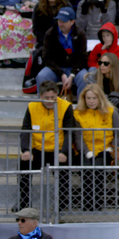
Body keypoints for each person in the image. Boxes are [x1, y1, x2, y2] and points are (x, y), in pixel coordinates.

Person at [17, 83, 79, 212]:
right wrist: (26, 150)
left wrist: (64, 152)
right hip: (38, 148)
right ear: (40, 96)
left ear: (57, 95)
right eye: (47, 97)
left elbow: (69, 132)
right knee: (23, 167)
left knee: (63, 170)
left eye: (53, 97)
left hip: (58, 148)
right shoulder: (32, 107)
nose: (50, 101)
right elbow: (25, 130)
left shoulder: (66, 106)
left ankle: (61, 204)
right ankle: (24, 202)